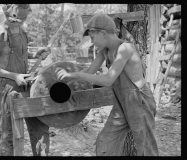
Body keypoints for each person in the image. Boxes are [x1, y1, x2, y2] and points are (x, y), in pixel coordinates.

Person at [56, 14, 159, 156]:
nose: (91, 42)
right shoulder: (105, 51)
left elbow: (107, 80)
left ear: (103, 33)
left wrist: (78, 75)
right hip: (121, 103)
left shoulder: (125, 49)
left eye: (92, 37)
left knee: (146, 148)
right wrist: (69, 78)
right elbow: (90, 71)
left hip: (139, 103)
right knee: (105, 141)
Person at [0, 4, 50, 156]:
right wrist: (14, 76)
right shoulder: (0, 32)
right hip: (7, 89)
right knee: (9, 134)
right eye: (15, 18)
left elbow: (19, 54)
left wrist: (35, 55)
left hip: (27, 86)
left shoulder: (23, 30)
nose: (19, 21)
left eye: (23, 18)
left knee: (40, 128)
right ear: (8, 13)